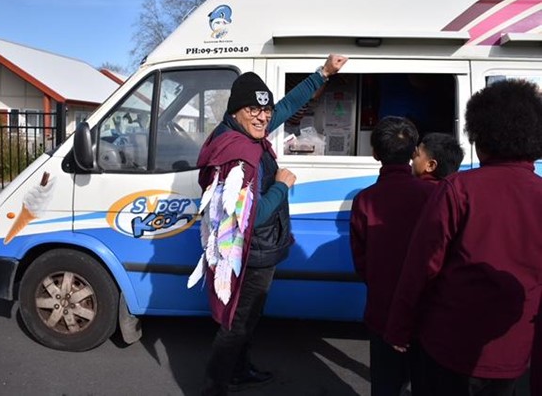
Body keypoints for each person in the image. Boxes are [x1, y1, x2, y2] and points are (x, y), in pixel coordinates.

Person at [188, 54, 348, 396]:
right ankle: (214, 386)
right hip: (252, 252)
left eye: (265, 111)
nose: (263, 117)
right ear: (235, 112)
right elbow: (252, 217)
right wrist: (282, 185)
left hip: (259, 249)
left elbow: (285, 106)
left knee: (248, 320)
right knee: (237, 323)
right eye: (254, 110)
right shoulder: (239, 156)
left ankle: (238, 370)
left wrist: (323, 74)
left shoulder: (243, 133)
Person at [384, 79, 542, 396]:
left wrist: (399, 326)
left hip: (450, 347)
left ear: (480, 135)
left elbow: (421, 267)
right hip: (516, 350)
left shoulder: (458, 189)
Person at [349, 116, 435, 395]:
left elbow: (360, 259)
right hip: (425, 310)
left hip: (382, 310)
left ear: (375, 154)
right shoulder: (434, 194)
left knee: (385, 383)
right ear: (413, 153)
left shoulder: (365, 199)